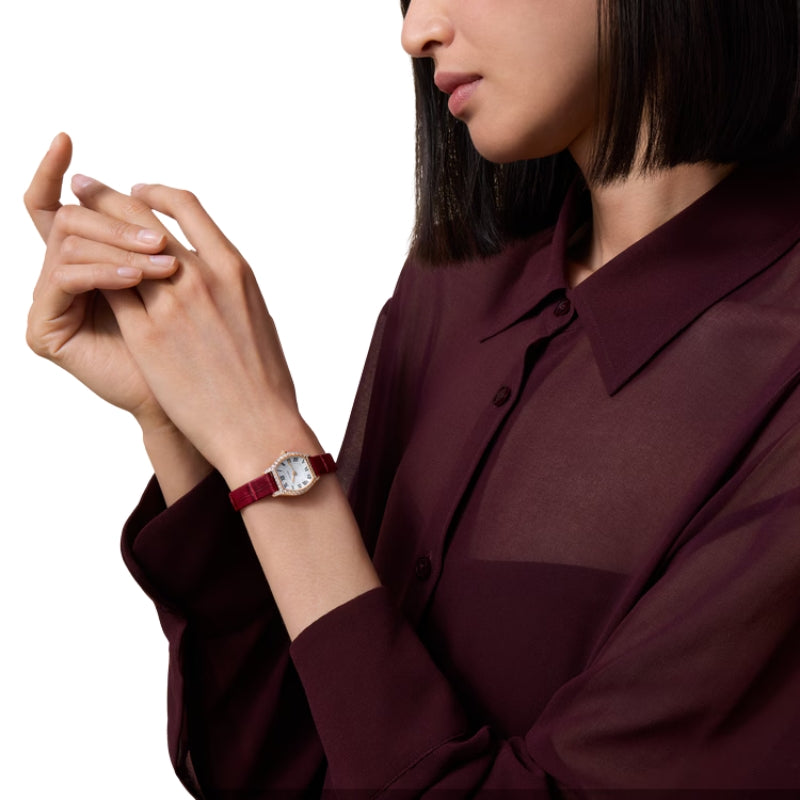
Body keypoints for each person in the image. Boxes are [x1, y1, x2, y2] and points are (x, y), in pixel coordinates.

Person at [24, 0, 800, 795]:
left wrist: (267, 447)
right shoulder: (451, 294)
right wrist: (186, 417)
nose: (415, 30)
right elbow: (290, 760)